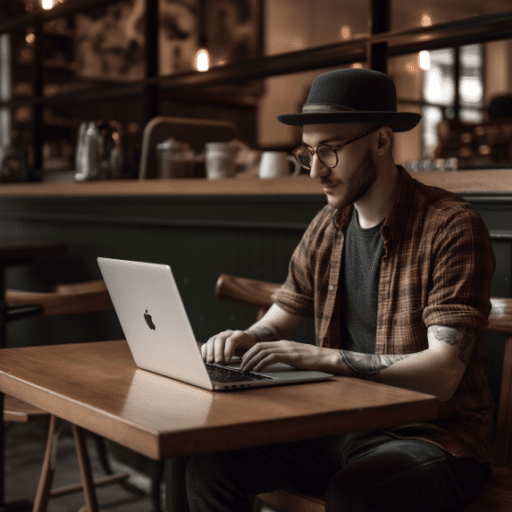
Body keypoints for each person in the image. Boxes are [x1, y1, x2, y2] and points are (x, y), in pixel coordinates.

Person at [186, 68, 495, 512]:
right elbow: (282, 315)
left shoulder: (450, 225)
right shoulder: (327, 226)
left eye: (329, 152)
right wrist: (247, 338)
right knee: (207, 466)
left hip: (431, 436)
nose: (315, 171)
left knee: (354, 495)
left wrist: (323, 358)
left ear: (382, 142)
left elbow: (443, 375)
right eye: (308, 153)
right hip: (336, 424)